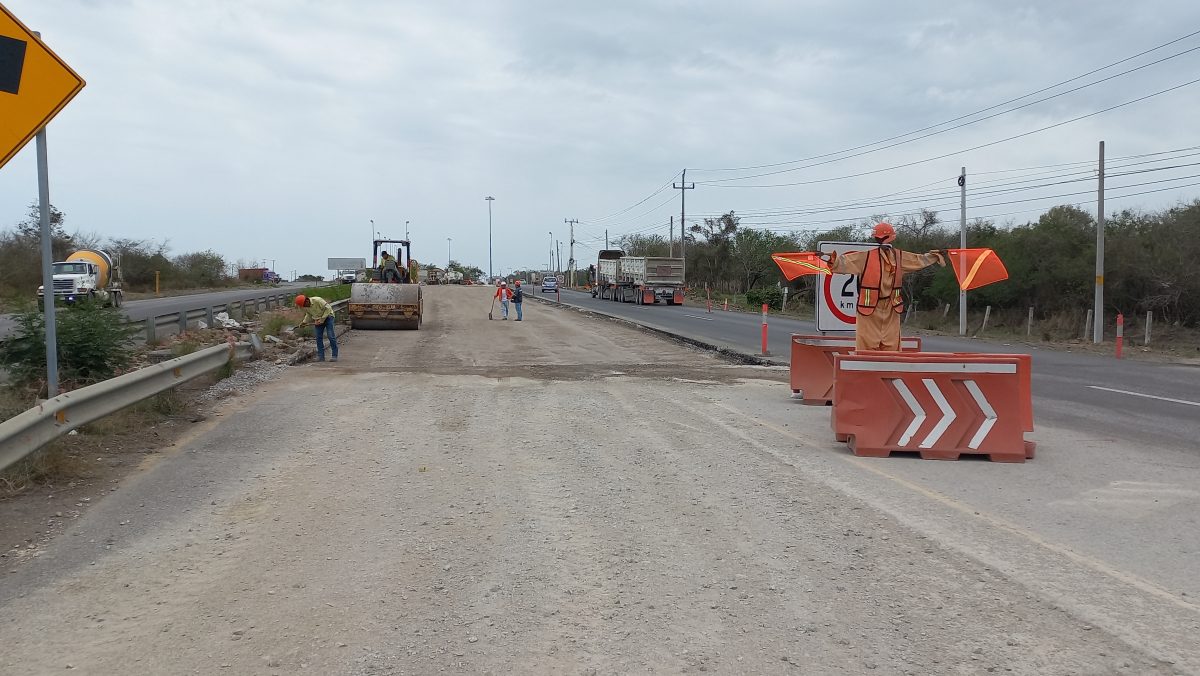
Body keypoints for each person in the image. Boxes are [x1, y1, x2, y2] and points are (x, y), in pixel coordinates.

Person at [821, 222, 945, 352]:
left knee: (891, 349)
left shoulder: (897, 257)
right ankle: (868, 369)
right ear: (892, 237)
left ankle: (887, 370)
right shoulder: (867, 257)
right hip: (869, 311)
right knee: (867, 349)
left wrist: (934, 256)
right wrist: (833, 260)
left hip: (891, 309)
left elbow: (918, 260)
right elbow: (842, 263)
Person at [295, 294, 338, 362]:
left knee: (330, 336)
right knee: (318, 338)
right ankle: (321, 357)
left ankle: (334, 355)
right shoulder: (305, 306)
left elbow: (328, 309)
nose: (304, 307)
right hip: (318, 319)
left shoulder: (318, 300)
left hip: (328, 317)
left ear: (307, 300)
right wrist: (304, 322)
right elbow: (308, 314)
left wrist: (322, 319)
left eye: (304, 305)